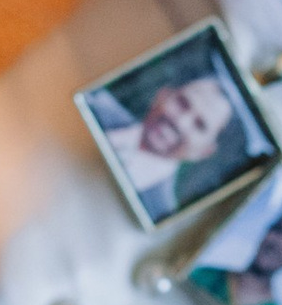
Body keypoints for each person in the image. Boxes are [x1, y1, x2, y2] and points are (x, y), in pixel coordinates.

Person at [92, 52, 261, 217]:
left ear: (205, 151)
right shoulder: (95, 104)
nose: (180, 122)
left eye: (199, 125)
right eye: (182, 103)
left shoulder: (159, 211)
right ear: (163, 94)